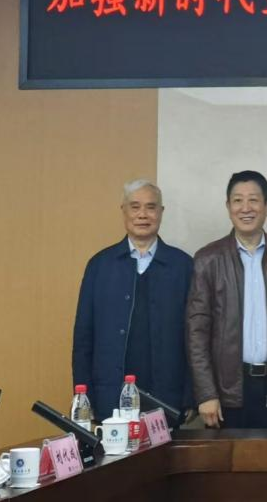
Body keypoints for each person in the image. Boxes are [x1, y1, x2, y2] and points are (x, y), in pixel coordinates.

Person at [72, 179, 193, 421]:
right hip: (109, 396)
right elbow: (84, 337)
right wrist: (83, 397)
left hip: (167, 397)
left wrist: (192, 396)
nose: (142, 215)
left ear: (161, 212)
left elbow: (196, 338)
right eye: (135, 207)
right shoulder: (100, 265)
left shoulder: (183, 266)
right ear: (123, 211)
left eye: (151, 207)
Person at [186, 170, 267, 429]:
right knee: (227, 456)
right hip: (225, 391)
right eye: (237, 200)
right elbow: (196, 332)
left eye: (254, 200)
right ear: (228, 207)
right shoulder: (207, 259)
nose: (246, 208)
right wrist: (206, 393)